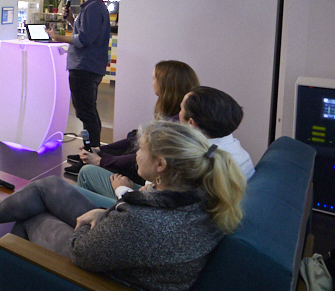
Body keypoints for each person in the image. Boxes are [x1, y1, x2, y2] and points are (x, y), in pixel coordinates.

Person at [0, 121, 247, 291]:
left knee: (33, 215)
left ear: (160, 165)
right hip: (123, 247)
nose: (136, 154)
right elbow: (135, 224)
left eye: (140, 149)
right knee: (49, 187)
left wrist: (94, 220)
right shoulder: (203, 197)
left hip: (112, 282)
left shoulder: (144, 221)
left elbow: (81, 252)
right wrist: (106, 213)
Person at [78, 86, 254, 204]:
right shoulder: (234, 152)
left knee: (68, 190)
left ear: (191, 123)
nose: (177, 115)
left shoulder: (196, 161)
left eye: (181, 110)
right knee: (88, 172)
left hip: (143, 210)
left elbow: (160, 211)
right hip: (154, 200)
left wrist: (123, 191)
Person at [68, 59, 199, 177]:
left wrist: (100, 160)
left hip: (148, 171)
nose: (152, 83)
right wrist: (100, 149)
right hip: (148, 163)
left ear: (166, 85)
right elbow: (137, 140)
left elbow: (137, 157)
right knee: (121, 144)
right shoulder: (177, 114)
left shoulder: (176, 123)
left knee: (93, 167)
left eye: (154, 79)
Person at [46, 0, 111, 149]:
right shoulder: (93, 7)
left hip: (84, 68)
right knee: (87, 111)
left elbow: (83, 40)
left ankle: (91, 153)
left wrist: (57, 37)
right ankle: (91, 151)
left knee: (86, 113)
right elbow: (86, 33)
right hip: (88, 67)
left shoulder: (93, 9)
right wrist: (71, 20)